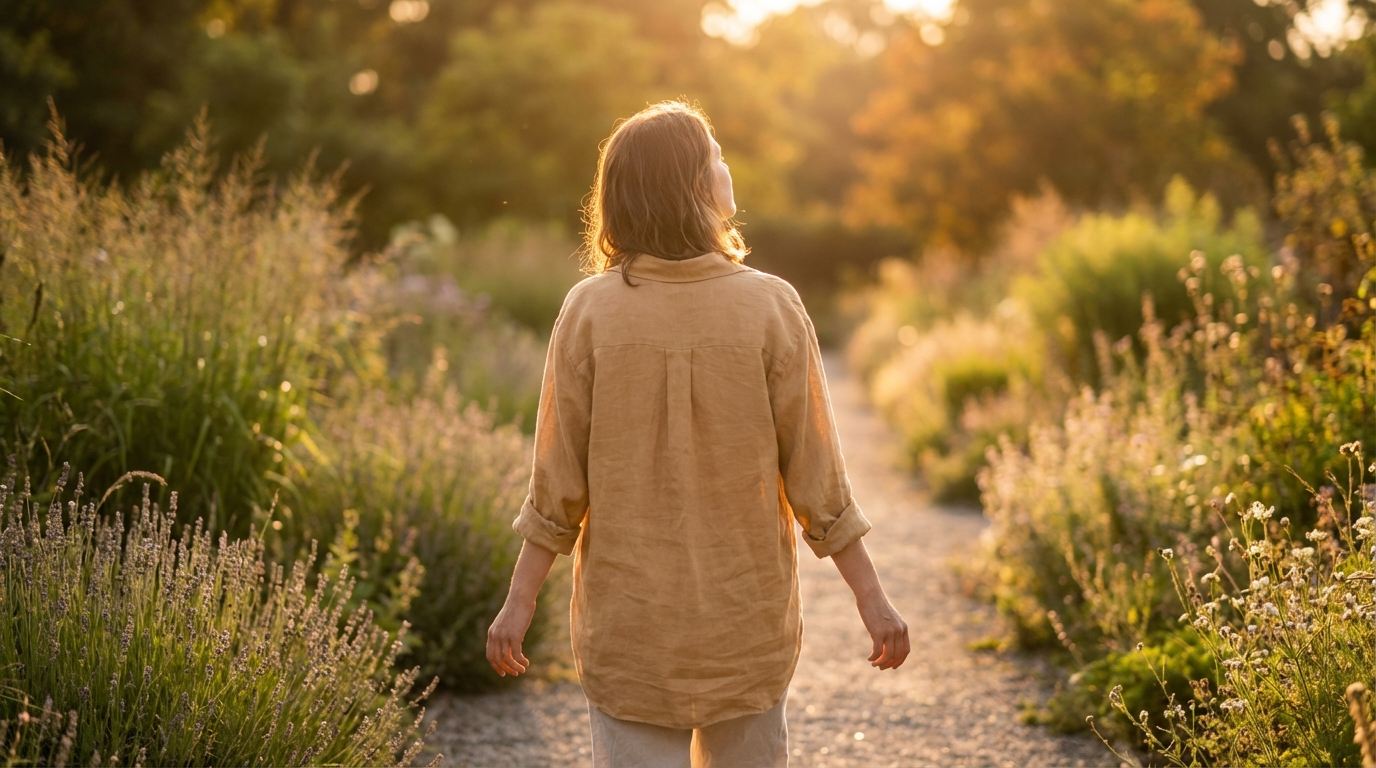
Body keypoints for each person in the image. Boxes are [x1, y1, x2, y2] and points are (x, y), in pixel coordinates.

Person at [485, 100, 909, 768]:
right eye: (714, 153)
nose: (726, 163)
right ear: (690, 185)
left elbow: (555, 484)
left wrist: (518, 605)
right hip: (746, 625)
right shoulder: (771, 305)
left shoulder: (587, 311)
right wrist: (874, 601)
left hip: (629, 631)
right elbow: (817, 479)